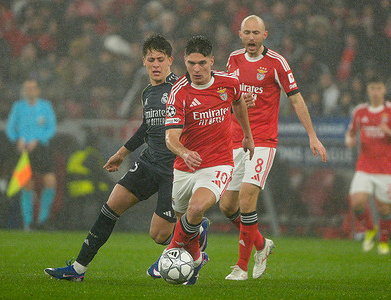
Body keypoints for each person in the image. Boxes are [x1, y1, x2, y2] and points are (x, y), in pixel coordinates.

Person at [44, 34, 208, 282]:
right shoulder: (147, 93)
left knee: (159, 235)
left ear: (170, 61)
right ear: (143, 61)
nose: (155, 64)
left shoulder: (183, 87)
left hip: (174, 170)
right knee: (111, 206)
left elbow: (210, 104)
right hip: (148, 163)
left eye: (160, 59)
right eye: (150, 59)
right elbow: (147, 127)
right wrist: (121, 154)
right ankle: (78, 268)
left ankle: (195, 230)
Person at [220, 15, 327, 280]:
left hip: (262, 142)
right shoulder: (233, 59)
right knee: (226, 205)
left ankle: (241, 267)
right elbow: (226, 96)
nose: (252, 37)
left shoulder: (276, 63)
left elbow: (297, 99)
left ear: (265, 34)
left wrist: (312, 135)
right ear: (241, 34)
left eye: (256, 33)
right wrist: (236, 100)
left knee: (246, 199)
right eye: (247, 32)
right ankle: (261, 244)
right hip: (235, 139)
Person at [161, 35, 255, 285]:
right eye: (191, 63)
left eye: (202, 63)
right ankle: (195, 257)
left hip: (218, 163)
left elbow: (238, 104)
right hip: (185, 166)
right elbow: (170, 138)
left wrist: (247, 135)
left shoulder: (229, 82)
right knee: (186, 219)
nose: (197, 69)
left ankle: (170, 252)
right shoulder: (178, 92)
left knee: (195, 209)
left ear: (212, 61)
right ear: (185, 61)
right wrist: (184, 152)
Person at [345, 75, 391, 255]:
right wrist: (349, 139)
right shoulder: (360, 111)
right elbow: (350, 132)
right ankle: (369, 228)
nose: (375, 92)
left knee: (384, 208)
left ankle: (383, 241)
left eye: (379, 88)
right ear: (368, 90)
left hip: (386, 168)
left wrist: (389, 131)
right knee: (357, 201)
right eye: (372, 88)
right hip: (364, 166)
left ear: (384, 89)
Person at [6, 79, 57, 231]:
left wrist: (39, 139)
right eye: (27, 88)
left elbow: (51, 127)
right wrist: (17, 139)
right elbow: (10, 128)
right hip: (23, 151)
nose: (30, 91)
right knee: (27, 185)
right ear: (23, 90)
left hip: (41, 148)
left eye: (33, 88)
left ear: (38, 90)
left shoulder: (45, 106)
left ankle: (42, 219)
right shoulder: (18, 107)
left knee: (50, 182)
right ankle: (28, 222)